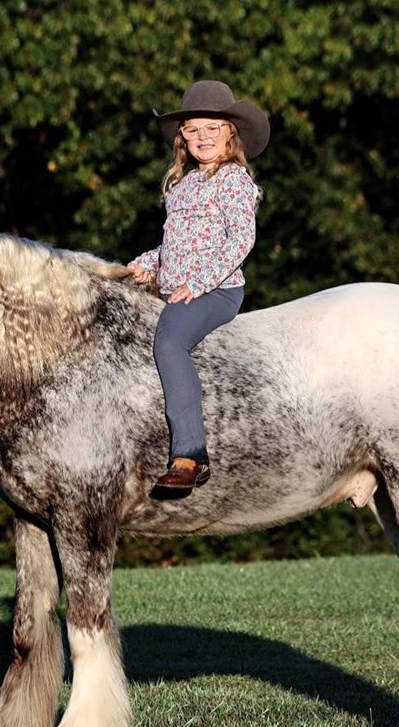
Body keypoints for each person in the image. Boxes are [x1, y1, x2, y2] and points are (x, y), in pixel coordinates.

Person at [127, 80, 269, 496]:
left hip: (218, 290)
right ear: (181, 138)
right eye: (192, 130)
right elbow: (174, 247)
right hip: (179, 287)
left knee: (170, 341)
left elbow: (240, 240)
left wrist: (201, 282)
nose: (202, 138)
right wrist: (148, 263)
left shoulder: (235, 181)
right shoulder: (182, 187)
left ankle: (190, 453)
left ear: (230, 133)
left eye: (212, 128)